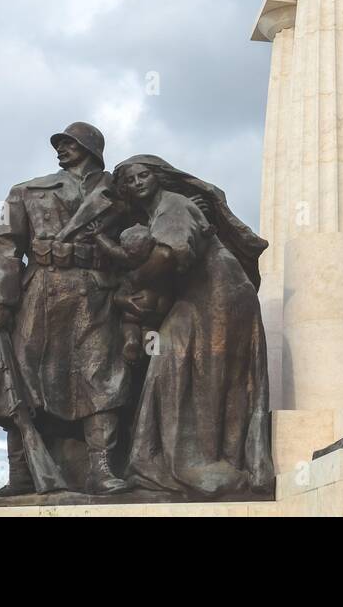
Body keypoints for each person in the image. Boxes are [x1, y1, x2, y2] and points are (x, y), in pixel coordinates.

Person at [96, 155, 274, 498]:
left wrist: (130, 281)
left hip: (219, 292)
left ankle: (196, 462)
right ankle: (176, 459)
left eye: (142, 175)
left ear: (158, 176)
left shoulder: (173, 205)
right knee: (175, 363)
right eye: (129, 181)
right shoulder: (154, 215)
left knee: (190, 367)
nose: (136, 183)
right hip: (203, 294)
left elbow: (167, 255)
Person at [0, 122, 132, 496]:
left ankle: (100, 469)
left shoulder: (122, 195)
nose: (61, 148)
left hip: (97, 292)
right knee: (19, 381)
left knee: (102, 379)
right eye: (59, 144)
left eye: (70, 144)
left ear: (92, 149)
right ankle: (22, 475)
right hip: (40, 294)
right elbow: (2, 246)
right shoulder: (26, 191)